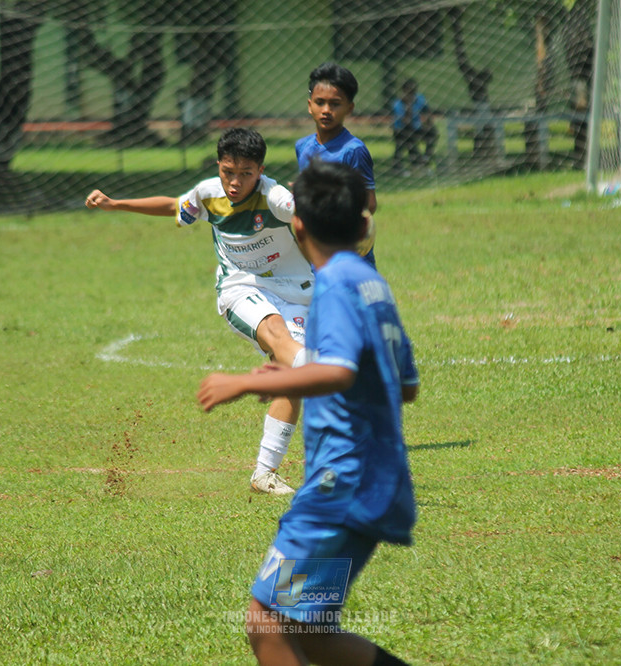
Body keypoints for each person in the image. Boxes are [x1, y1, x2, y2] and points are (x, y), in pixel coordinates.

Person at [198, 160, 418, 665]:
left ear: (296, 226)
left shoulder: (336, 286)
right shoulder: (369, 282)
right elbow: (405, 385)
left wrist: (246, 382)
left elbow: (340, 372)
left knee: (265, 622)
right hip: (375, 480)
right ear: (364, 225)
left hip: (339, 486)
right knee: (312, 631)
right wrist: (300, 372)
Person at [85, 128, 310, 496]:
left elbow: (308, 215)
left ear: (261, 170)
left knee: (290, 377)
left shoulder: (276, 198)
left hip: (296, 292)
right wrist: (116, 203)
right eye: (227, 171)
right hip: (242, 289)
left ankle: (264, 474)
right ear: (219, 167)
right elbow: (174, 207)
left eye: (246, 174)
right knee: (278, 337)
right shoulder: (209, 193)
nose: (235, 182)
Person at [296, 62, 378, 265]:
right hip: (316, 250)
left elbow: (370, 204)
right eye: (320, 102)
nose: (326, 110)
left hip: (348, 252)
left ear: (349, 108)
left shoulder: (353, 150)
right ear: (309, 105)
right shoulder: (302, 146)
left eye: (335, 104)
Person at [391, 78, 438, 175]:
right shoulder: (398, 103)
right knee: (405, 142)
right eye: (409, 91)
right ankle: (400, 167)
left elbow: (427, 110)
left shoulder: (419, 98)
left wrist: (428, 122)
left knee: (433, 132)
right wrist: (407, 105)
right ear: (404, 90)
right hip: (401, 129)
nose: (411, 94)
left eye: (413, 91)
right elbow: (405, 121)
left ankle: (426, 157)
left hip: (416, 128)